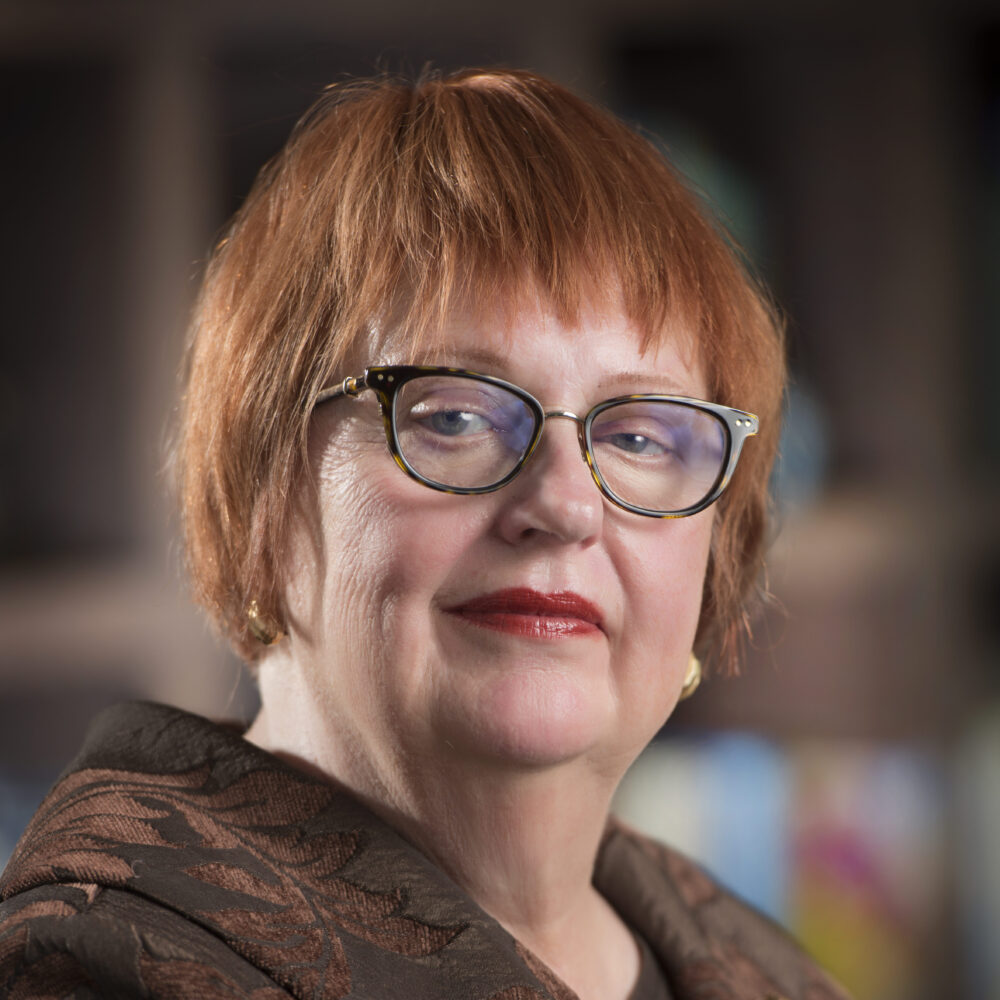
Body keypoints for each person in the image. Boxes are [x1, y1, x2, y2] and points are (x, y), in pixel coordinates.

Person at [0, 68, 849, 999]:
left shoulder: (768, 970)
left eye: (640, 434)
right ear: (263, 496)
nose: (565, 507)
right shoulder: (97, 967)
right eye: (454, 417)